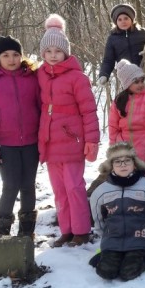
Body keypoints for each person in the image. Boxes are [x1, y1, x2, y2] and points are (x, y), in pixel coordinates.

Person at [38, 14, 100, 247]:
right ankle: (66, 230)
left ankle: (82, 231)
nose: (53, 55)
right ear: (43, 53)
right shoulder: (40, 75)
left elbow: (89, 112)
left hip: (72, 141)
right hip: (50, 142)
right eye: (49, 51)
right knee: (59, 190)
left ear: (66, 52)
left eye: (58, 51)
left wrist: (92, 141)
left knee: (74, 187)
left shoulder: (78, 78)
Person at [0, 36, 41, 238]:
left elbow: (42, 107)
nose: (11, 59)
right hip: (5, 144)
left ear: (22, 56)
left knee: (28, 185)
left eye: (15, 55)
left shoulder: (32, 78)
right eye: (6, 55)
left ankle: (27, 232)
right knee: (11, 185)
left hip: (31, 143)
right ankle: (1, 231)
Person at [89, 142, 145, 281]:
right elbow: (99, 222)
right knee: (105, 272)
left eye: (127, 161)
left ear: (135, 163)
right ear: (111, 165)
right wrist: (104, 246)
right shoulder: (101, 192)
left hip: (141, 240)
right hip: (114, 240)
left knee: (128, 273)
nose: (123, 165)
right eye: (118, 162)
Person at [109, 59, 145, 177]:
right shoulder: (118, 102)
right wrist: (113, 146)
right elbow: (113, 127)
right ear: (127, 83)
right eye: (136, 82)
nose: (140, 84)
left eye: (141, 81)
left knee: (142, 175)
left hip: (144, 144)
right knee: (124, 174)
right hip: (123, 145)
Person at [97, 3, 145, 87]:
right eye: (119, 19)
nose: (123, 21)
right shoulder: (112, 38)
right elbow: (108, 60)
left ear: (132, 19)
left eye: (126, 18)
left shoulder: (142, 33)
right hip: (127, 77)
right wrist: (104, 74)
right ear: (116, 22)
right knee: (131, 99)